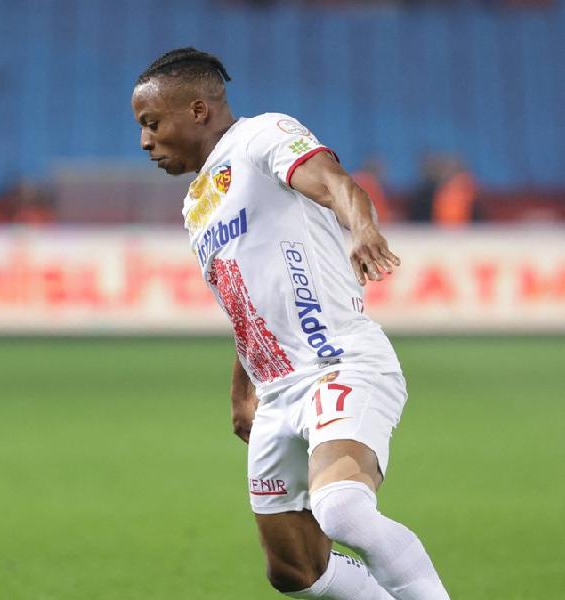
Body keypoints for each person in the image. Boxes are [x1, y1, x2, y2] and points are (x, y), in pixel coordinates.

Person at [131, 48, 449, 599]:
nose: (144, 141)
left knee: (343, 509)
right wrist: (242, 387)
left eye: (152, 123)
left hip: (338, 364)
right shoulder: (197, 204)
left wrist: (361, 227)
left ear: (198, 110)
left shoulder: (263, 136)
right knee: (295, 571)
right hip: (277, 393)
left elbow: (335, 182)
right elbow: (247, 297)